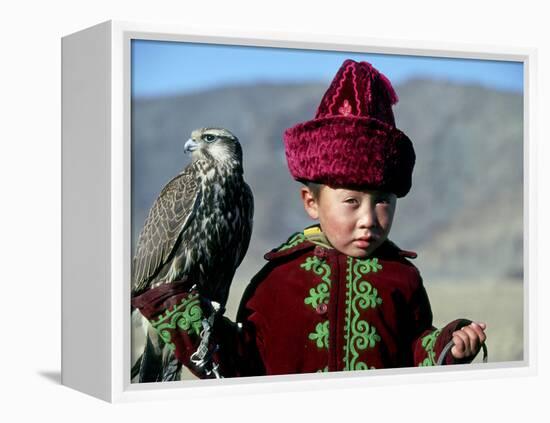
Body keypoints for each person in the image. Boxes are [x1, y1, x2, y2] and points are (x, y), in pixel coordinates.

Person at [131, 59, 487, 379]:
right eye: (351, 201)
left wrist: (447, 346)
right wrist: (183, 317)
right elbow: (244, 360)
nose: (368, 219)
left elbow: (413, 351)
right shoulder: (279, 279)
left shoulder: (403, 278)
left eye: (382, 203)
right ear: (310, 202)